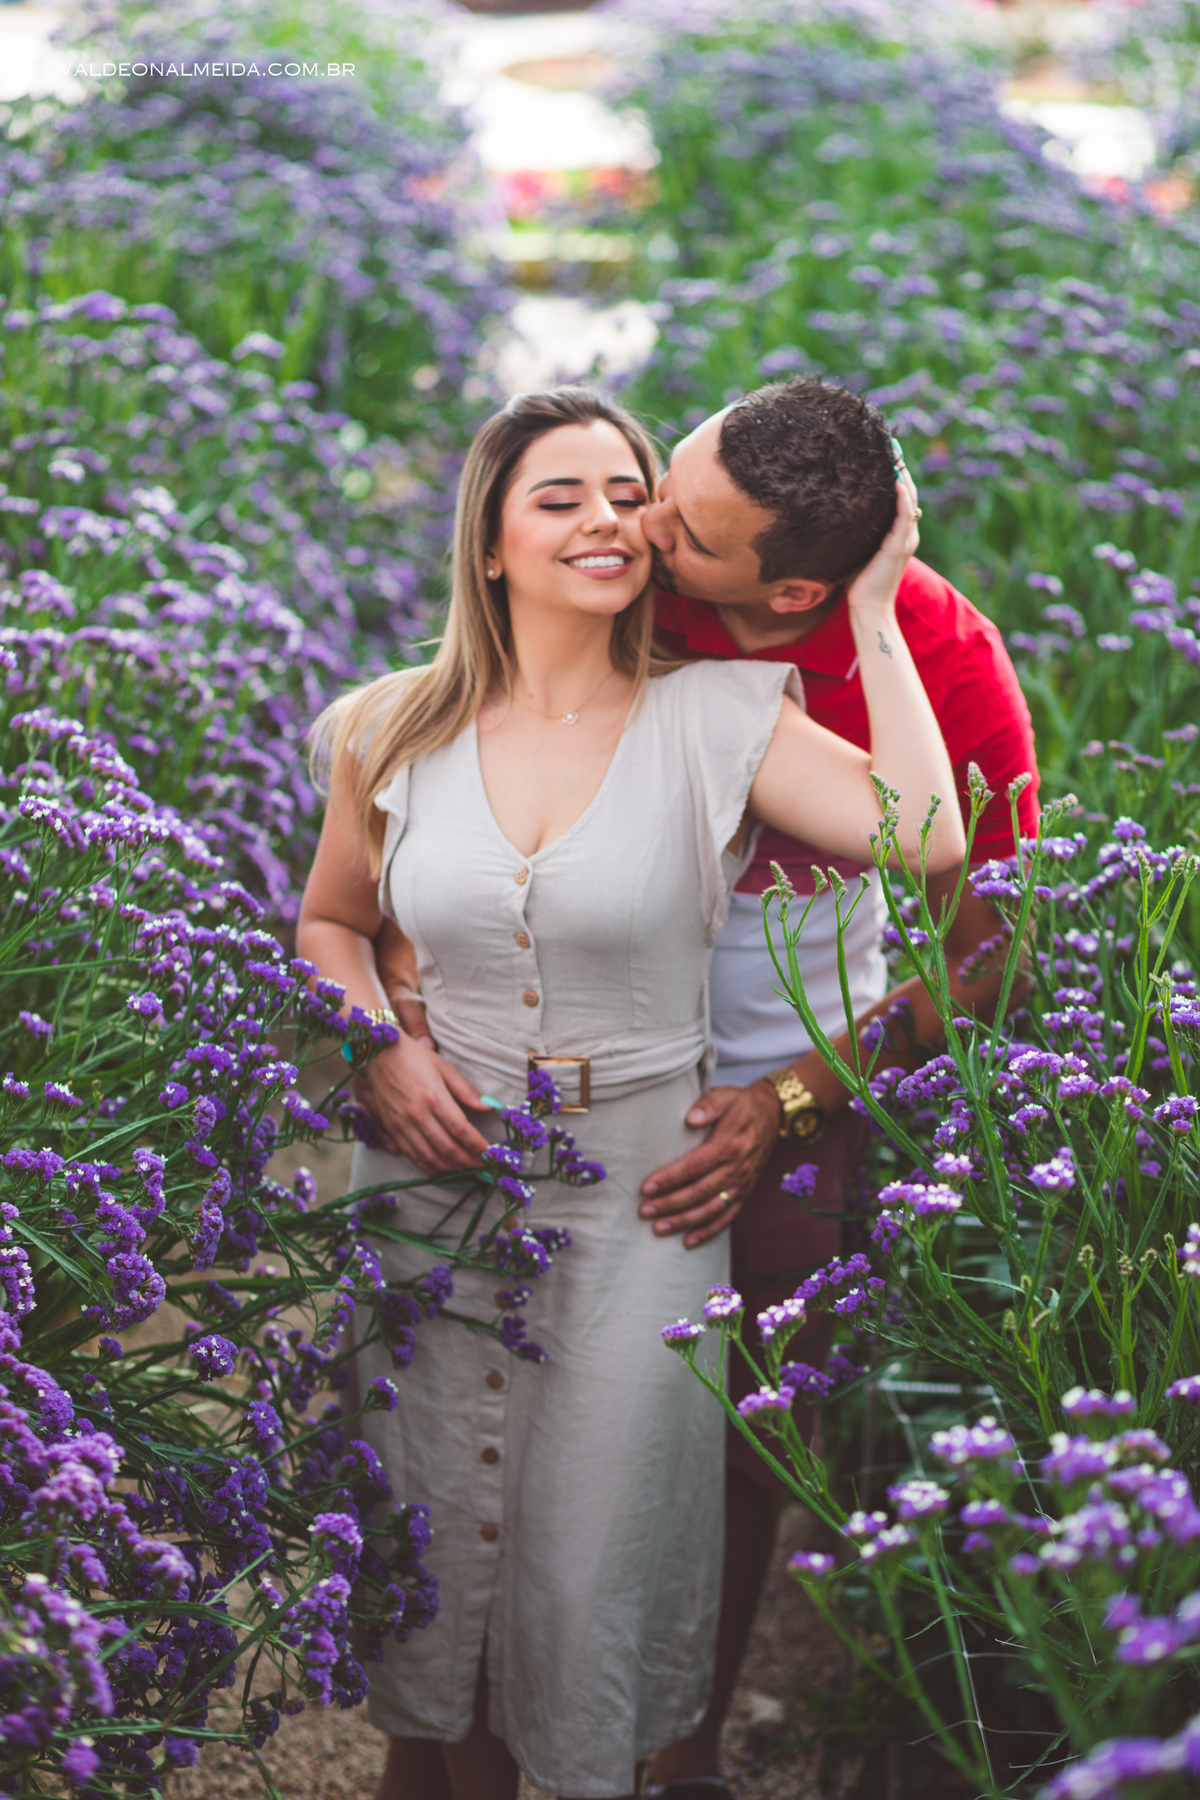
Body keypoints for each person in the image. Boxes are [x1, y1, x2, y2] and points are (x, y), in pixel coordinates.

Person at [296, 386, 964, 1800]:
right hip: (431, 1195)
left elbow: (926, 834)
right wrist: (377, 1047)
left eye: (626, 490)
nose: (607, 516)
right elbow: (333, 925)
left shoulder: (722, 714)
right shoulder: (386, 729)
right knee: (432, 1564)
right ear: (488, 542)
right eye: (562, 495)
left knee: (594, 1570)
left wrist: (878, 607)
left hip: (639, 1207)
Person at [632, 379, 1040, 1798]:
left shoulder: (938, 648)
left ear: (796, 581)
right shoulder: (628, 579)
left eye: (683, 527)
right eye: (657, 486)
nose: (640, 525)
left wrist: (793, 1102)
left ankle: (683, 1747)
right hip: (590, 1038)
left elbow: (988, 954)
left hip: (789, 1057)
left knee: (750, 1419)